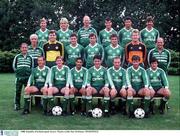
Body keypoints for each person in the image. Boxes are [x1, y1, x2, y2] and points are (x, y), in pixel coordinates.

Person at [13, 43, 34, 110]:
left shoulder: (30, 57)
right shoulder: (17, 56)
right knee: (17, 91)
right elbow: (14, 66)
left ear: (27, 48)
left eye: (25, 47)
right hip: (19, 77)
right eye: (23, 47)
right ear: (20, 48)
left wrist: (29, 73)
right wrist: (18, 72)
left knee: (28, 91)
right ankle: (17, 104)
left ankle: (28, 105)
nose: (24, 49)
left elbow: (32, 67)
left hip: (27, 77)